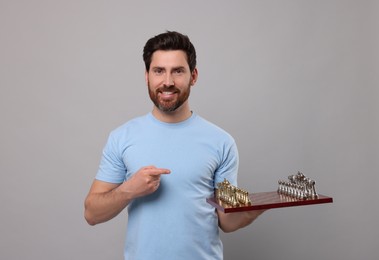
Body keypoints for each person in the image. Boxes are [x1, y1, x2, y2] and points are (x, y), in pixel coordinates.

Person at [84, 31, 265, 260]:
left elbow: (226, 221)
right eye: (158, 71)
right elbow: (92, 213)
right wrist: (130, 189)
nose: (167, 82)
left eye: (178, 71)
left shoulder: (221, 142)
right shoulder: (121, 137)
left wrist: (257, 208)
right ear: (147, 75)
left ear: (194, 76)